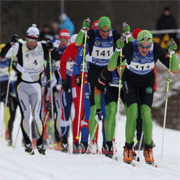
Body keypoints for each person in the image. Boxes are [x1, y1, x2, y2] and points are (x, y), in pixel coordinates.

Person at [98, 30, 179, 164]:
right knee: (133, 111)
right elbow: (111, 67)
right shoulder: (130, 47)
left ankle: (148, 149)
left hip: (147, 81)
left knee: (146, 113)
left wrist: (173, 53)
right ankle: (128, 148)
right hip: (130, 81)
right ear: (137, 43)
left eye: (147, 47)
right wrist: (118, 50)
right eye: (142, 46)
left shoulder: (156, 48)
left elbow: (174, 69)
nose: (145, 50)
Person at [0, 24, 61, 155]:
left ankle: (39, 143)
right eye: (29, 40)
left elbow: (57, 58)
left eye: (34, 41)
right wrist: (10, 43)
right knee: (25, 116)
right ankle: (27, 142)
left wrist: (53, 49)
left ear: (37, 40)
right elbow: (2, 54)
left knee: (37, 116)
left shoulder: (42, 46)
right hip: (22, 87)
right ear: (26, 39)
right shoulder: (19, 47)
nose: (32, 44)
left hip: (36, 87)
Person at [75, 16, 132, 154]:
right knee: (94, 107)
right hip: (94, 72)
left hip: (109, 72)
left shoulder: (115, 35)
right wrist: (83, 30)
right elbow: (77, 43)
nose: (105, 34)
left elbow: (130, 46)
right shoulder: (92, 34)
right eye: (102, 31)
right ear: (98, 29)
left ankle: (108, 142)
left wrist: (128, 35)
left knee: (108, 109)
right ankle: (93, 142)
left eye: (106, 31)